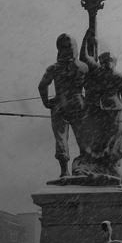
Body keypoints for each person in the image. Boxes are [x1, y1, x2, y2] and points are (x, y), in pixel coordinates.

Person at [78, 31, 122, 178]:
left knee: (115, 140)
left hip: (116, 111)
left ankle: (111, 166)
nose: (107, 63)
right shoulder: (97, 71)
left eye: (110, 61)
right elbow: (84, 57)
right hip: (100, 111)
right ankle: (100, 167)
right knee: (100, 140)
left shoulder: (119, 77)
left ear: (114, 63)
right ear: (101, 62)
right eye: (104, 61)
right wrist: (86, 37)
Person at [38, 34, 88, 178]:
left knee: (61, 139)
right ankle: (83, 167)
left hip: (59, 104)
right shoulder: (83, 67)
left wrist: (46, 102)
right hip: (78, 104)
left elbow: (42, 85)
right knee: (82, 138)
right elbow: (91, 88)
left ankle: (64, 171)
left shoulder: (54, 68)